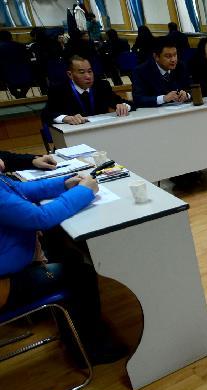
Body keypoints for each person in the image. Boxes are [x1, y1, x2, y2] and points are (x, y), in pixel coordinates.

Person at [0, 167, 126, 365]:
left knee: (65, 251)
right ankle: (89, 349)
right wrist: (83, 192)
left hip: (11, 265)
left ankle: (73, 325)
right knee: (81, 273)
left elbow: (17, 189)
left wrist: (64, 184)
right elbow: (39, 217)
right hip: (4, 285)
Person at [41, 55, 131, 125]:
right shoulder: (59, 90)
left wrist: (123, 106)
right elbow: (47, 115)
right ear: (70, 74)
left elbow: (124, 103)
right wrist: (66, 118)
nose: (88, 76)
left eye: (90, 71)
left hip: (102, 130)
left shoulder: (101, 85)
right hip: (75, 134)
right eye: (82, 72)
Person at [130, 37, 191, 108]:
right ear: (156, 57)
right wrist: (163, 98)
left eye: (175, 55)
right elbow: (138, 99)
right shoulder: (141, 71)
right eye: (168, 56)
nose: (173, 60)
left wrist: (187, 95)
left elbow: (194, 88)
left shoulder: (181, 66)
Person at [0, 30, 32, 98]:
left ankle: (18, 96)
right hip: (24, 72)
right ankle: (22, 95)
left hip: (7, 73)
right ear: (10, 37)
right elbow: (28, 58)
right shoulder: (20, 45)